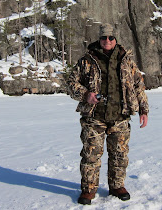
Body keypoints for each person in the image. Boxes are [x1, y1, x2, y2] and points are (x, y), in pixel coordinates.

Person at [67, 23, 149, 205]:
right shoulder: (87, 60)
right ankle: (88, 190)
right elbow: (71, 83)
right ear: (99, 38)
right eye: (104, 37)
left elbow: (138, 86)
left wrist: (143, 109)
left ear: (115, 39)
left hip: (120, 116)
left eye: (111, 37)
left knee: (120, 155)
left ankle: (117, 186)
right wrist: (86, 95)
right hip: (94, 117)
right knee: (91, 155)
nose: (107, 40)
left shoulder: (126, 60)